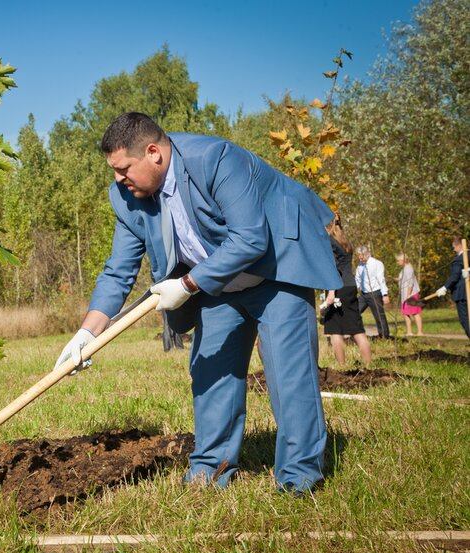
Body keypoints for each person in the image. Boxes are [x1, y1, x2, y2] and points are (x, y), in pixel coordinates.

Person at [55, 112, 342, 495]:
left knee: (289, 375)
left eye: (124, 169)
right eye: (114, 171)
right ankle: (211, 469)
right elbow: (117, 271)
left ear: (153, 153)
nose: (118, 179)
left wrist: (187, 284)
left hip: (277, 265)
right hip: (218, 281)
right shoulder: (126, 196)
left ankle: (299, 477)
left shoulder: (217, 159)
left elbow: (251, 239)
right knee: (211, 373)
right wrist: (85, 333)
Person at [322, 217, 372, 365]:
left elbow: (333, 268)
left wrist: (331, 293)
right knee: (356, 329)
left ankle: (341, 367)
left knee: (335, 329)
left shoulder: (330, 242)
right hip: (350, 287)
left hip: (337, 288)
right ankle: (369, 364)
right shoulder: (345, 242)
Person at [434, 238, 470, 338]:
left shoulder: (459, 259)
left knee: (465, 320)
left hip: (463, 294)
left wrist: (445, 287)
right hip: (465, 292)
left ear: (459, 246)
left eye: (454, 247)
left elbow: (455, 276)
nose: (454, 250)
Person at [354, 246, 391, 339]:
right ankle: (356, 334)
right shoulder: (360, 266)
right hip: (363, 294)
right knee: (354, 312)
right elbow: (357, 280)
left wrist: (385, 294)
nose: (359, 258)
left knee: (379, 315)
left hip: (375, 293)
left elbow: (381, 279)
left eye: (361, 256)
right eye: (358, 256)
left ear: (367, 254)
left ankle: (384, 337)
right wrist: (352, 291)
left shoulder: (377, 263)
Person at [395, 253, 423, 336]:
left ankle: (420, 332)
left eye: (398, 261)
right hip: (405, 294)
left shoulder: (408, 268)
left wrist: (408, 295)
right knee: (405, 313)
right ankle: (409, 332)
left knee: (415, 312)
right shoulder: (405, 268)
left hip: (411, 294)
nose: (397, 262)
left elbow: (410, 283)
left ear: (403, 261)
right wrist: (398, 280)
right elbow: (404, 279)